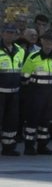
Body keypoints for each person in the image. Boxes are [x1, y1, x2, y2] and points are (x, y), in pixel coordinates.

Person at [0, 20, 25, 154]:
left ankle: (9, 147)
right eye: (7, 32)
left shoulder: (20, 50)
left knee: (11, 121)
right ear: (2, 33)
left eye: (12, 33)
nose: (9, 35)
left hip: (14, 92)